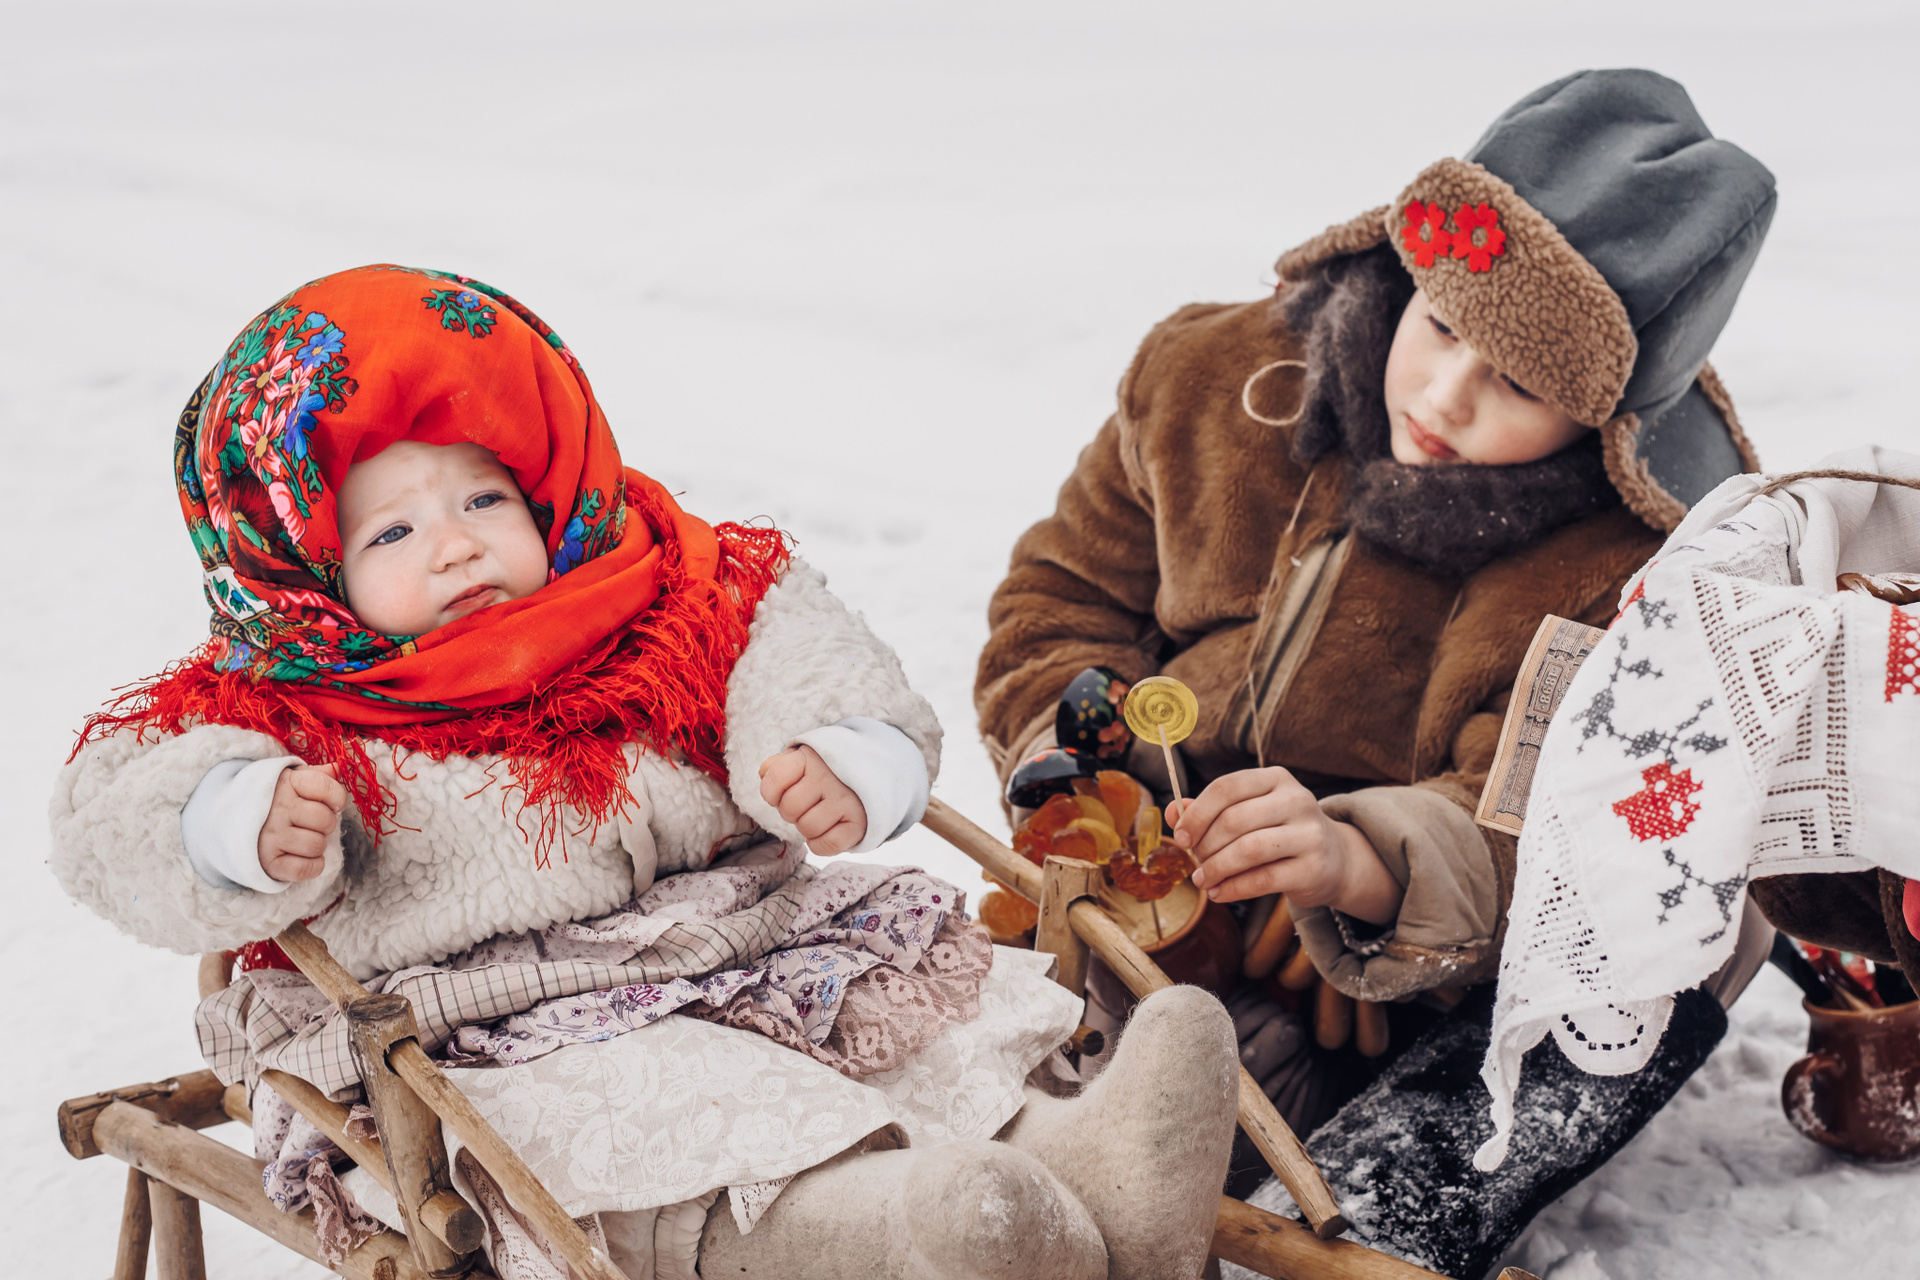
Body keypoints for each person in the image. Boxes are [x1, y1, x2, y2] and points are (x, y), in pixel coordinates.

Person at [50, 265, 1239, 1280]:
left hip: (739, 944)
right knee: (648, 1109)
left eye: (483, 497)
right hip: (491, 1028)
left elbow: (796, 650)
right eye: (393, 532)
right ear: (309, 569)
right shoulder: (290, 699)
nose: (456, 543)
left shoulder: (661, 596)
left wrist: (838, 751)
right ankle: (906, 1229)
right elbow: (115, 809)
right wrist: (234, 823)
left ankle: (1076, 1167)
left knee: (917, 1039)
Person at [975, 69, 1779, 1275]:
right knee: (1022, 1079)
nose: (1446, 397)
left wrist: (1356, 868)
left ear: (1607, 420)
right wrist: (1092, 783)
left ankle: (1389, 1185)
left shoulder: (1625, 570)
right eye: (1441, 325)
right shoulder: (1207, 383)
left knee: (1679, 925)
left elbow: (1541, 813)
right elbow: (1060, 599)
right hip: (1168, 878)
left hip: (1425, 972)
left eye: (1518, 383)